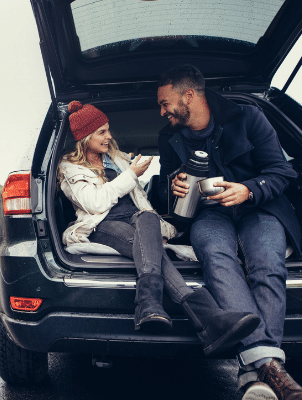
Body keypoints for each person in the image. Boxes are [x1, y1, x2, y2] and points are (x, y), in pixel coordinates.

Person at [157, 65, 302, 400]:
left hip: (260, 208)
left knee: (268, 264)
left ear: (188, 95)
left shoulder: (249, 117)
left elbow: (281, 171)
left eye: (164, 102)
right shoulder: (168, 138)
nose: (161, 111)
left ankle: (252, 373)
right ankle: (272, 367)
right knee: (217, 258)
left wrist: (248, 189)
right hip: (208, 215)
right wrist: (173, 186)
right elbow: (163, 192)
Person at [58, 100, 260, 357]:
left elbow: (142, 202)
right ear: (84, 138)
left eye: (109, 130)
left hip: (140, 222)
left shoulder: (116, 160)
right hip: (102, 226)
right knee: (153, 250)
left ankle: (150, 303)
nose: (109, 136)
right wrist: (131, 174)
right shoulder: (69, 168)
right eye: (102, 132)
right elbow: (94, 204)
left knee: (148, 219)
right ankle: (207, 319)